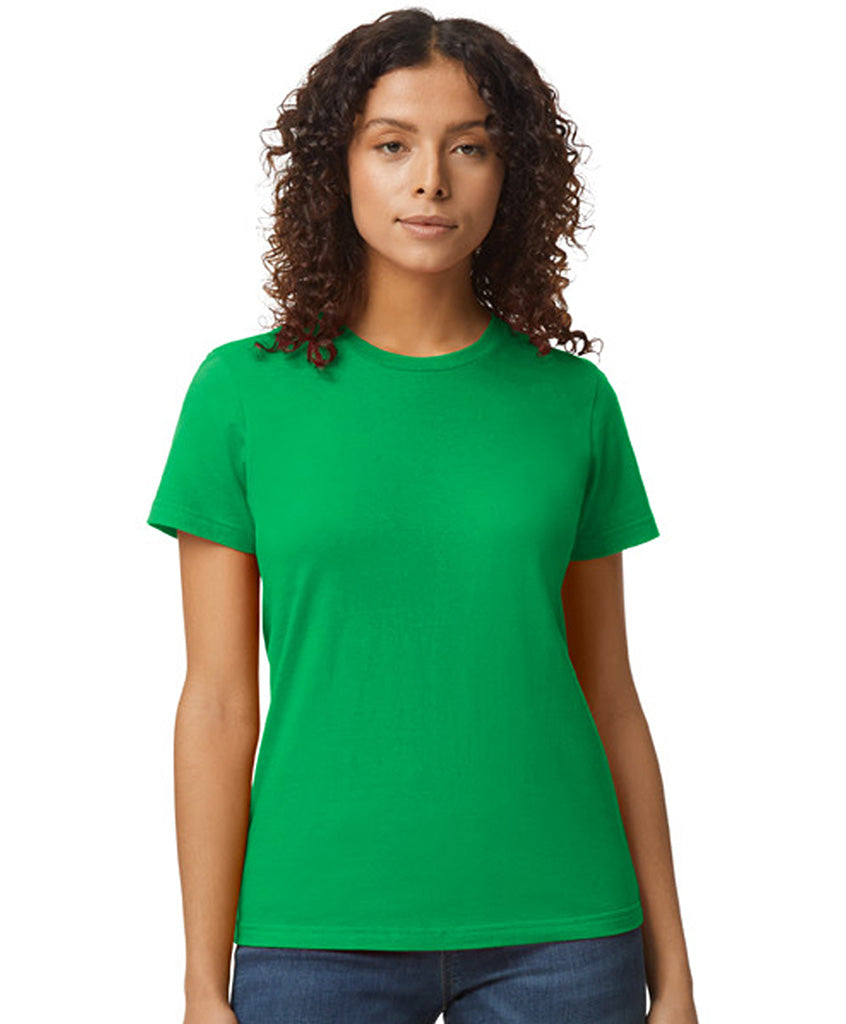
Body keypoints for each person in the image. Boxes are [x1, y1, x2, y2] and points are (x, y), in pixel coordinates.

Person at [147, 8, 698, 1024]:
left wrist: (676, 975)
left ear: (511, 174)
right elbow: (218, 702)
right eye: (392, 145)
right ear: (338, 167)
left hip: (564, 929)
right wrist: (198, 981)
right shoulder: (239, 395)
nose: (431, 180)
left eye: (470, 147)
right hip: (314, 929)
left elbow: (610, 695)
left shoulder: (572, 404)